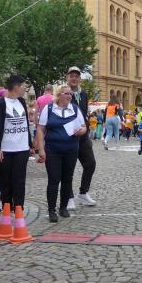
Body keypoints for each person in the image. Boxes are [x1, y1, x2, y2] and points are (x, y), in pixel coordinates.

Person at [35, 85, 87, 222]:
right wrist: (41, 149)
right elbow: (41, 129)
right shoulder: (49, 109)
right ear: (59, 95)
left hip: (71, 150)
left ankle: (63, 207)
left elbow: (84, 127)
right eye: (67, 94)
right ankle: (51, 210)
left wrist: (80, 132)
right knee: (53, 180)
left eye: (70, 94)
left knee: (67, 179)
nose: (70, 96)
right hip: (53, 150)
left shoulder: (74, 108)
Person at [0, 75, 33, 210]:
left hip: (22, 148)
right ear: (16, 87)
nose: (24, 89)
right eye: (23, 86)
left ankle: (18, 208)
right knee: (6, 181)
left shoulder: (21, 101)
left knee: (19, 180)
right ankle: (7, 207)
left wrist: (29, 144)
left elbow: (25, 124)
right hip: (5, 149)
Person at [65, 67, 97, 208]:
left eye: (76, 76)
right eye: (71, 75)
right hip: (68, 136)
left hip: (83, 135)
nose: (74, 78)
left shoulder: (83, 94)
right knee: (68, 168)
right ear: (67, 77)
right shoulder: (64, 93)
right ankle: (69, 197)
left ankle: (83, 193)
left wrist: (86, 130)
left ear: (79, 79)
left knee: (90, 164)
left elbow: (84, 114)